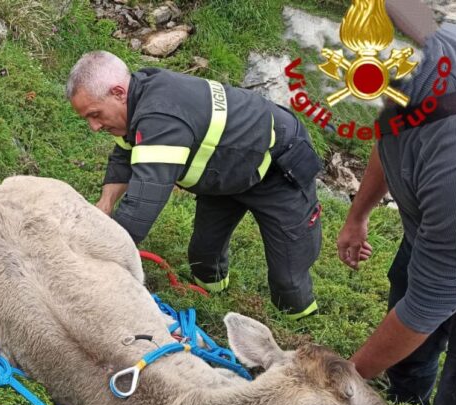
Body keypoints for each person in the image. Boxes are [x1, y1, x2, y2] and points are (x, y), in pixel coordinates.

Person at [337, 1, 456, 405]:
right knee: (407, 298)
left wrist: (340, 382)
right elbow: (393, 133)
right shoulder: (425, 58)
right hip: (440, 232)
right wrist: (356, 216)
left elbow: (430, 300)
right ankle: (406, 393)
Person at [66, 51, 324, 320]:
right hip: (226, 172)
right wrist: (104, 204)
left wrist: (92, 260)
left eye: (95, 114)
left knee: (288, 277)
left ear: (119, 92)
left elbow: (140, 208)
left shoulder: (162, 118)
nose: (94, 126)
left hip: (277, 170)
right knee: (203, 256)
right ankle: (213, 304)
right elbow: (125, 153)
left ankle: (301, 329)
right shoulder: (138, 98)